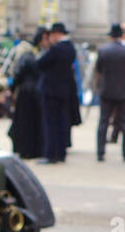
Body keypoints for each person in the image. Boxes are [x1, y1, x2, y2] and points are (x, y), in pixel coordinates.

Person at [94, 24, 125, 162]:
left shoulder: (103, 50)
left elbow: (98, 69)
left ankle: (100, 152)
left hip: (107, 91)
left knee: (103, 122)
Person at [36, 22, 76, 164]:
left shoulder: (56, 50)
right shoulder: (71, 48)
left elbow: (40, 64)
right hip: (64, 91)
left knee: (50, 123)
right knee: (62, 122)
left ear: (56, 35)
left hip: (51, 91)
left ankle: (50, 153)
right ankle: (61, 152)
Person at [7, 27, 45, 159]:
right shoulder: (37, 55)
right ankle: (34, 150)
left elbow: (18, 73)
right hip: (36, 92)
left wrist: (12, 90)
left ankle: (24, 150)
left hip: (25, 92)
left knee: (24, 122)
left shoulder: (26, 55)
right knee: (34, 122)